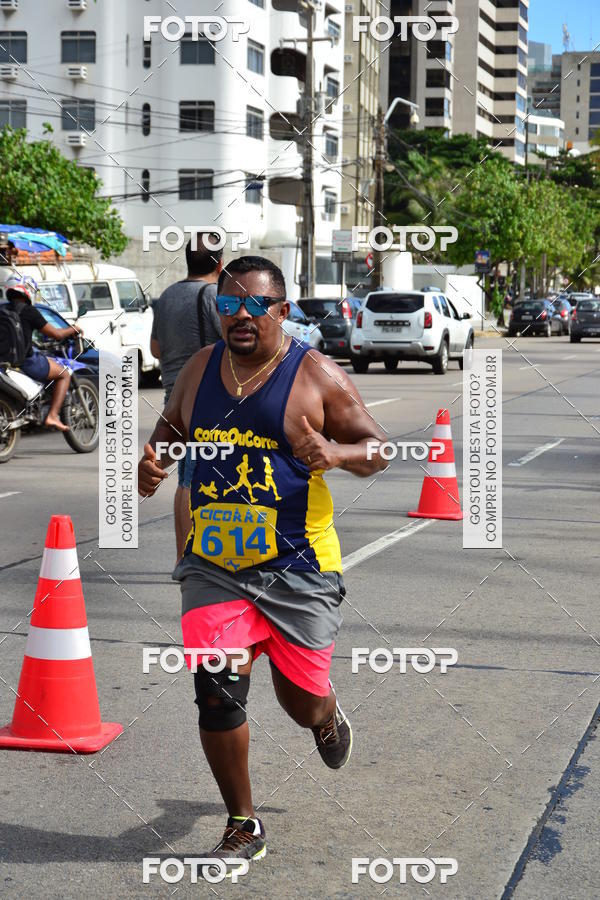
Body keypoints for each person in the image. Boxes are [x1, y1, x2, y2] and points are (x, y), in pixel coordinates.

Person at [138, 255, 387, 871]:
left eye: (254, 306)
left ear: (282, 310)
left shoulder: (316, 375)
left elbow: (378, 447)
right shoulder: (200, 367)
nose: (240, 317)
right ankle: (243, 822)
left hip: (298, 564)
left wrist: (334, 451)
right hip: (215, 562)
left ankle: (325, 713)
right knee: (217, 690)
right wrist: (156, 459)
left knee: (297, 701)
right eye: (228, 306)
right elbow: (173, 426)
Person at [150, 234, 223, 561]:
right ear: (220, 265)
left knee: (190, 473)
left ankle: (189, 557)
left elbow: (154, 348)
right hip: (206, 396)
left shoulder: (166, 296)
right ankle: (186, 560)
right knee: (193, 477)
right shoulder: (211, 294)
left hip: (173, 396)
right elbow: (228, 339)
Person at [5, 274, 82, 432]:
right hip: (25, 362)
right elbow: (56, 334)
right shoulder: (30, 311)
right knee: (64, 373)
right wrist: (73, 328)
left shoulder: (2, 309)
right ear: (28, 291)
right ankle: (52, 415)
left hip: (4, 362)